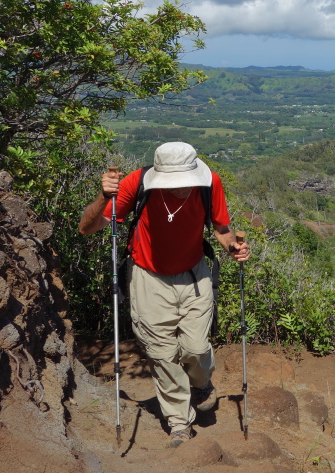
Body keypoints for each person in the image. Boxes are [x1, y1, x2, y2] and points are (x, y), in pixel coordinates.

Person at [78, 142, 249, 448]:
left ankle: (201, 383)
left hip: (193, 274)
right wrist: (104, 197)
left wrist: (232, 247)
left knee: (196, 347)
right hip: (148, 277)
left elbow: (222, 228)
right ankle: (179, 423)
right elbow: (88, 228)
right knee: (161, 354)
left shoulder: (209, 183)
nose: (181, 188)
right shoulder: (136, 184)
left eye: (185, 181)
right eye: (174, 182)